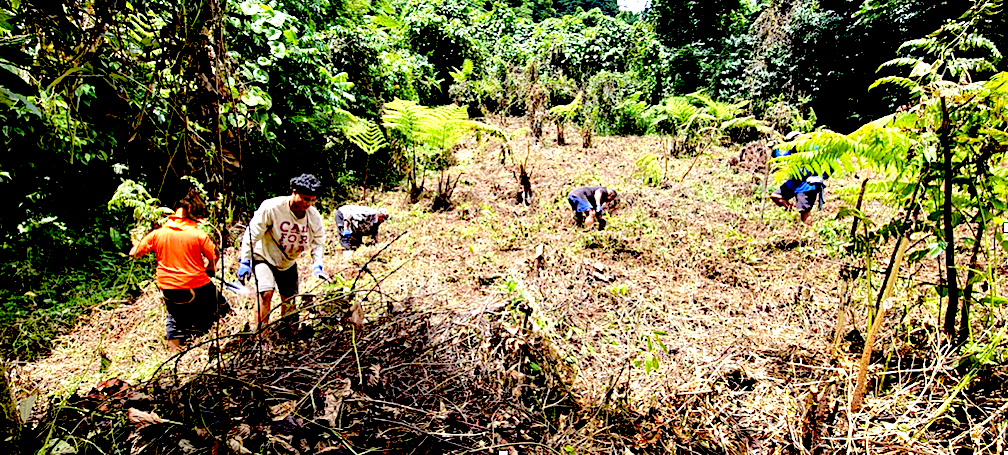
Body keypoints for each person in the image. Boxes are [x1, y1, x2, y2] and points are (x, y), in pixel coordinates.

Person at [130, 180, 226, 353]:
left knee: (174, 317)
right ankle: (227, 332)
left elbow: (134, 253)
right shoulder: (198, 235)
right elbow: (215, 255)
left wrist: (137, 240)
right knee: (221, 307)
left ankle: (175, 355)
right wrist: (211, 268)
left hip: (168, 287)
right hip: (197, 283)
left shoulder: (157, 234)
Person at [237, 174, 328, 332]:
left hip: (288, 261)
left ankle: (288, 334)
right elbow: (252, 233)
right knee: (265, 293)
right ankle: (261, 335)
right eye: (305, 199)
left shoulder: (313, 216)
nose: (308, 204)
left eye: (313, 200)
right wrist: (245, 260)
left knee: (290, 300)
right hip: (264, 257)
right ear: (294, 193)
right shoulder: (272, 207)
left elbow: (318, 242)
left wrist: (317, 265)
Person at [770, 131, 827, 225]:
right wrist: (774, 149)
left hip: (808, 184)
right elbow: (781, 160)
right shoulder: (793, 150)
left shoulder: (814, 148)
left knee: (804, 212)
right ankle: (793, 215)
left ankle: (809, 232)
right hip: (794, 182)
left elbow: (832, 159)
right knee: (776, 196)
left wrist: (823, 177)